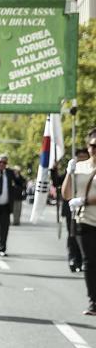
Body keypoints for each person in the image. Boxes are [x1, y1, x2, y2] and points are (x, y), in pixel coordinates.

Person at [62, 129, 96, 315]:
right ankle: (93, 302)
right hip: (85, 221)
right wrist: (69, 173)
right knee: (90, 261)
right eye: (92, 145)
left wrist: (85, 200)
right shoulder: (80, 167)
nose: (94, 149)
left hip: (88, 209)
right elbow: (67, 194)